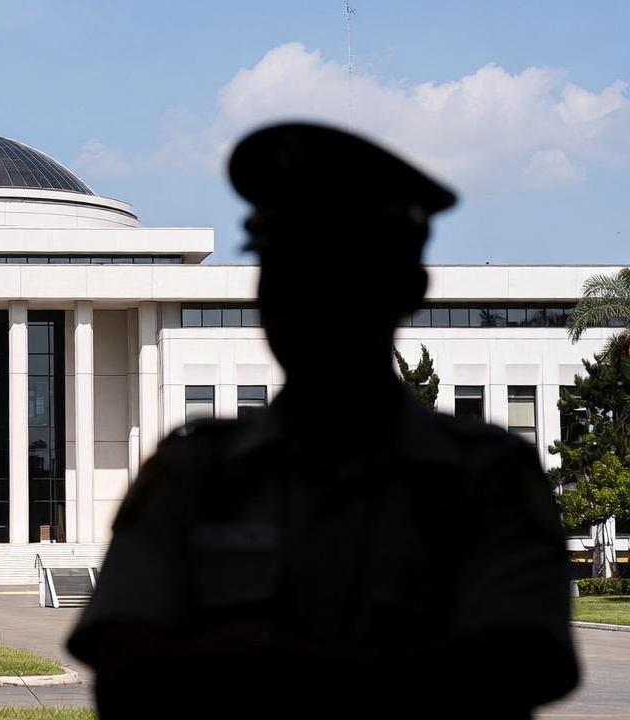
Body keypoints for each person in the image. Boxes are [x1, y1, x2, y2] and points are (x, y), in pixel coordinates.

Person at [66, 121, 581, 718]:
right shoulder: (193, 474)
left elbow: (516, 669)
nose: (300, 295)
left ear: (407, 286)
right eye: (280, 266)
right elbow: (124, 678)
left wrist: (257, 659)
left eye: (334, 269)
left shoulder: (486, 477)